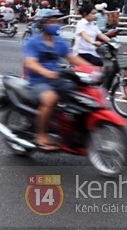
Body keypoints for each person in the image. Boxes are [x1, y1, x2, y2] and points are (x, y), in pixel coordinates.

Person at [23, 8, 91, 151]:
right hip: (38, 81)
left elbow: (73, 58)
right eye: (51, 21)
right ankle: (40, 135)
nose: (55, 24)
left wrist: (92, 70)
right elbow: (30, 63)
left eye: (56, 21)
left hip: (56, 78)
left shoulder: (59, 42)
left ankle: (68, 128)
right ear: (42, 24)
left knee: (78, 93)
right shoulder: (33, 42)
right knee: (50, 98)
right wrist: (45, 72)